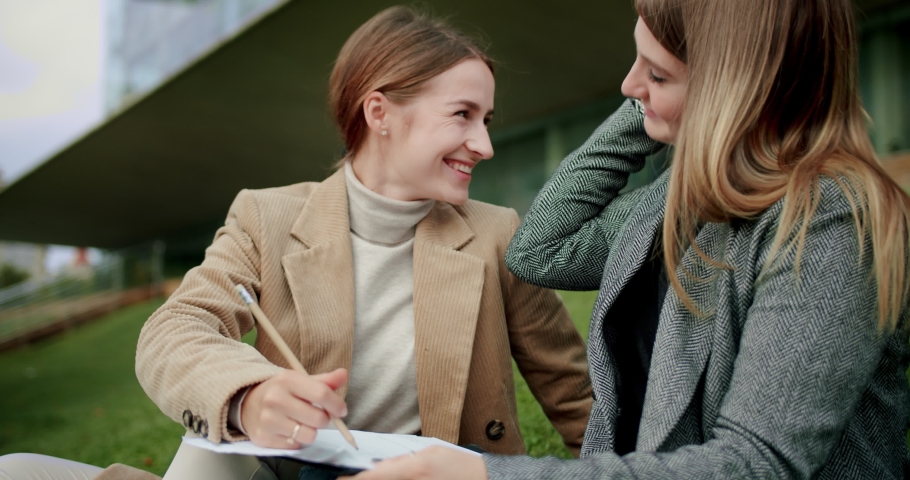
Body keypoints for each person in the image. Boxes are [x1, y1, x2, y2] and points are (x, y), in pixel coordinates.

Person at [0, 6, 592, 480]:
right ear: (380, 112)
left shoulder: (497, 235)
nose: (484, 144)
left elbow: (576, 397)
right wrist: (250, 397)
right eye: (463, 114)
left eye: (487, 119)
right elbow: (176, 330)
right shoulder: (266, 216)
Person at [345, 0, 910, 478]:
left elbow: (752, 464)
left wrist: (487, 473)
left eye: (657, 73)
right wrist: (654, 101)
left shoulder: (830, 220)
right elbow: (541, 249)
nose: (627, 84)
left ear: (731, 90)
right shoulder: (680, 198)